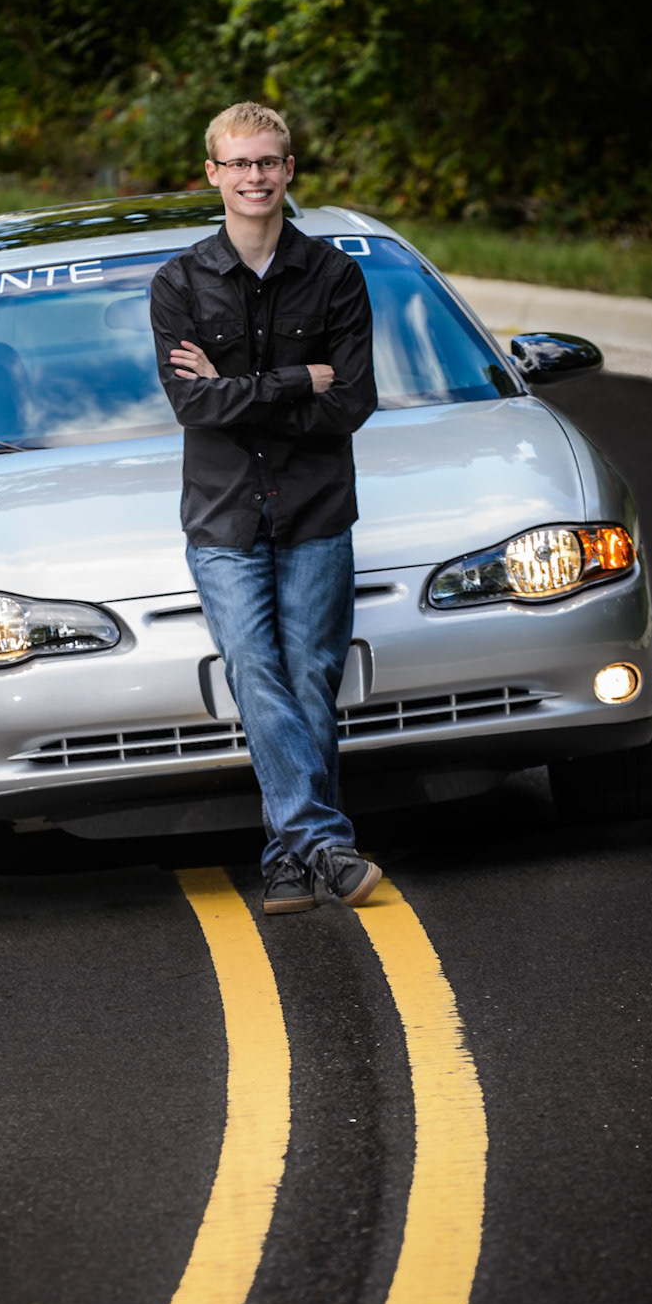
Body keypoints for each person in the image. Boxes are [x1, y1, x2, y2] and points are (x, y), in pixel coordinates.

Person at [150, 100, 382, 914]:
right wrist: (296, 379)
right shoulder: (178, 284)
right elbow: (193, 409)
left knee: (313, 677)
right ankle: (324, 843)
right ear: (212, 173)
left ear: (289, 171)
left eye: (268, 162)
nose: (255, 176)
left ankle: (288, 861)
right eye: (238, 163)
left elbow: (351, 403)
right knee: (256, 670)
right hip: (222, 518)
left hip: (317, 509)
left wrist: (235, 387)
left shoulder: (335, 277)